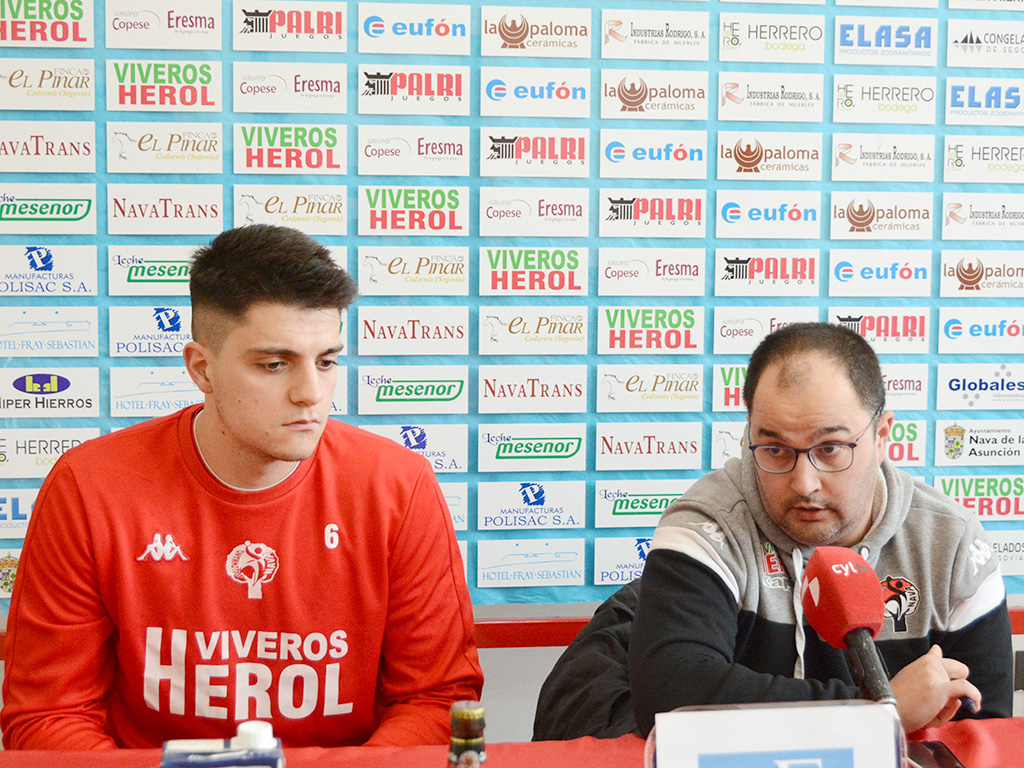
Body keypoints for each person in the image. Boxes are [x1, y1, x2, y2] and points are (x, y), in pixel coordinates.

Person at [1, 224, 483, 749]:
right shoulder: (89, 487)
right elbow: (47, 717)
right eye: (274, 365)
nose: (310, 394)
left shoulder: (398, 485)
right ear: (202, 369)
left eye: (326, 361)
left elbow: (437, 702)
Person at [629, 322, 1012, 736]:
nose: (803, 482)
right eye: (774, 449)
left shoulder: (951, 543)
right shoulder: (708, 525)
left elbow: (985, 733)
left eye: (830, 449)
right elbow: (671, 697)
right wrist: (882, 710)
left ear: (882, 436)